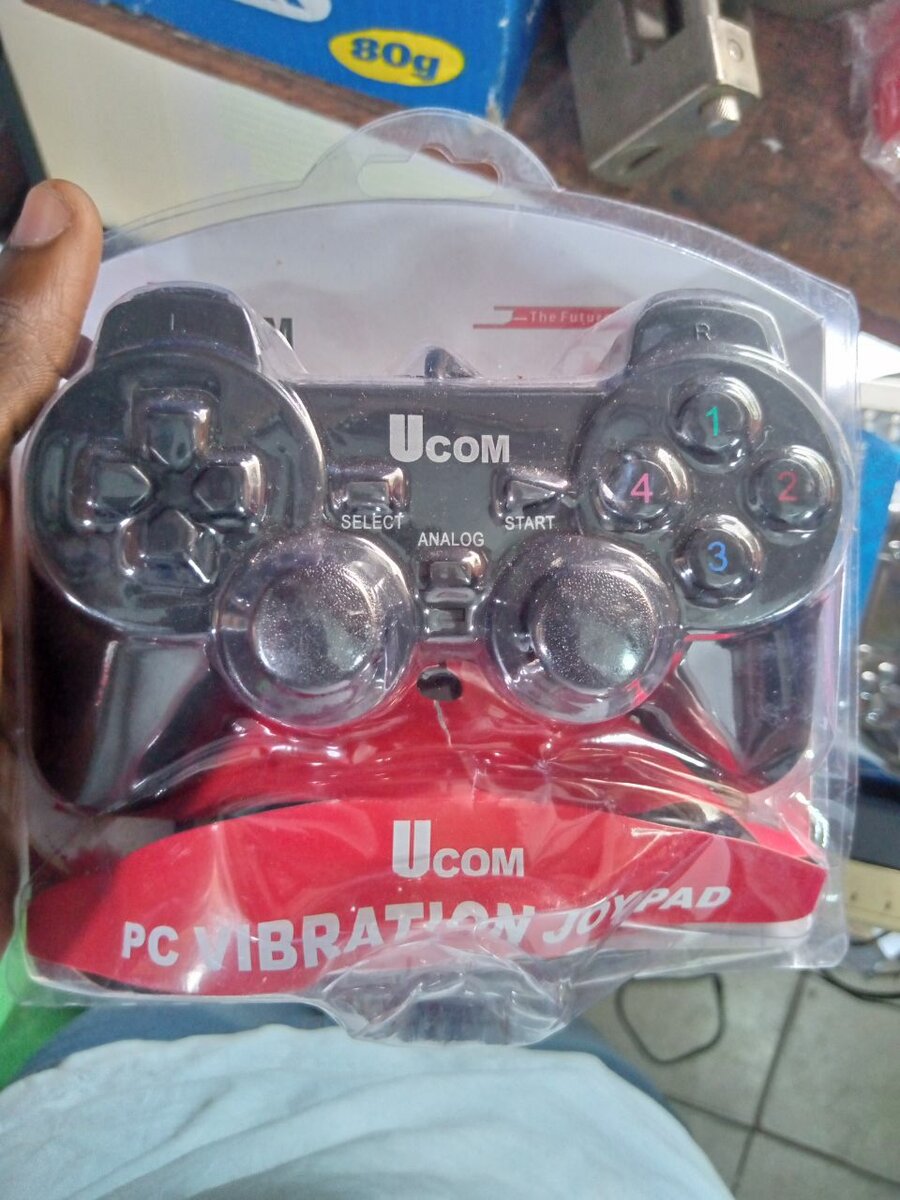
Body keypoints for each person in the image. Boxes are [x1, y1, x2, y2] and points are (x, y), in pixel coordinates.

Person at [0, 181, 733, 1199]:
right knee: (516, 991)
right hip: (567, 1123)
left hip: (137, 1078)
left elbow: (92, 789)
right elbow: (752, 768)